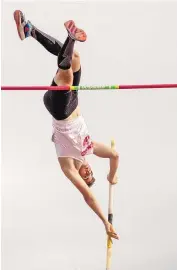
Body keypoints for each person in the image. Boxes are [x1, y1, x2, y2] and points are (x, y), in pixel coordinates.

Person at [14, 10, 120, 240]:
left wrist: (105, 222)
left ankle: (70, 37)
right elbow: (114, 155)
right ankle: (29, 30)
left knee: (67, 77)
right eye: (92, 175)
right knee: (75, 60)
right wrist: (112, 176)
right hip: (73, 100)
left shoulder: (68, 165)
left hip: (61, 110)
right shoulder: (90, 147)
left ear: (80, 176)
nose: (89, 173)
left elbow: (88, 197)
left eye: (87, 177)